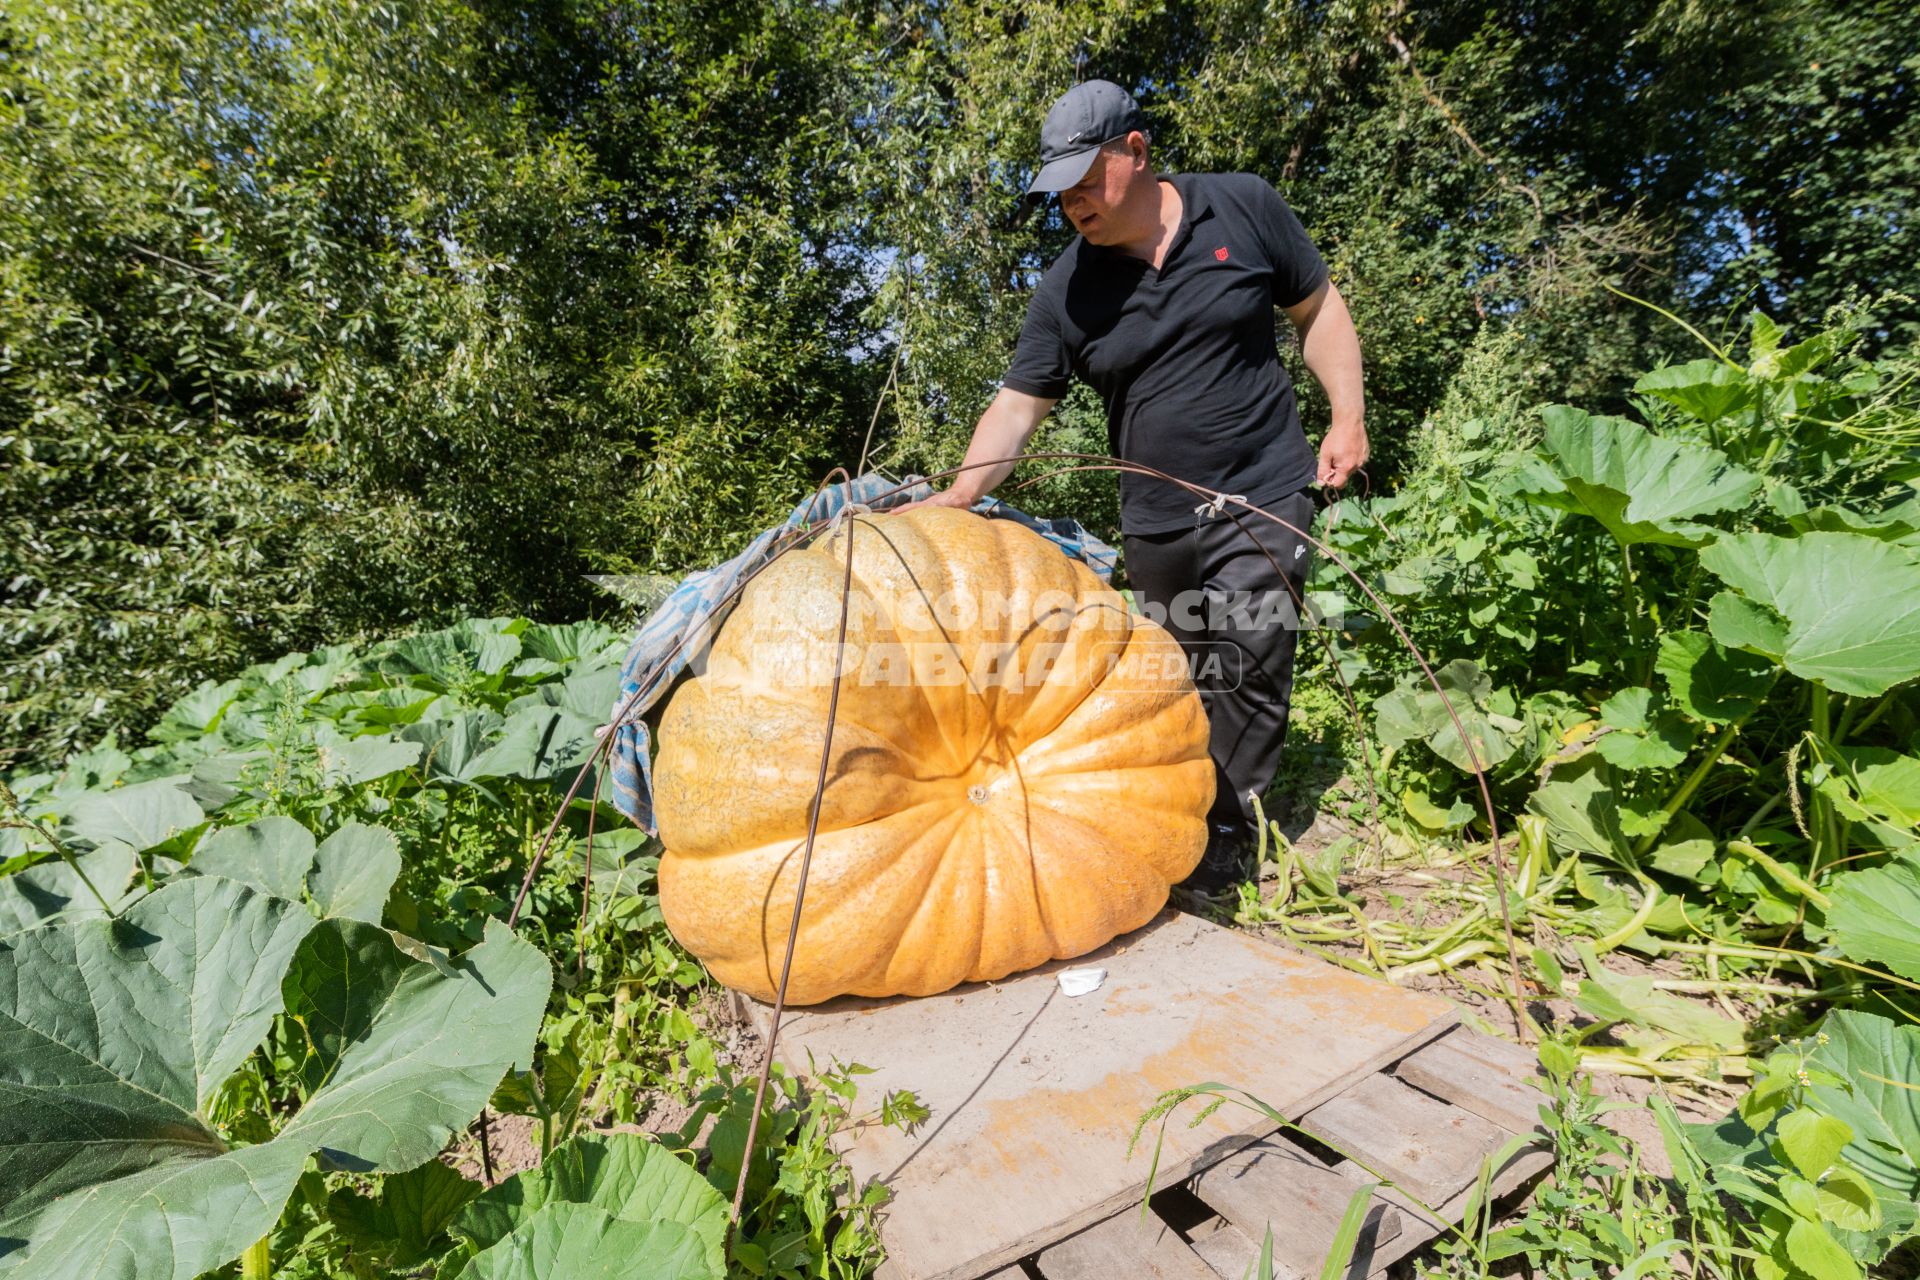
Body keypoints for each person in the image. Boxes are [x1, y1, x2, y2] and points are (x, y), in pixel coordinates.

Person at [900, 79, 1368, 892]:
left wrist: (1347, 416)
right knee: (1178, 677)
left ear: (1137, 151)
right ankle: (1173, 810)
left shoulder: (1243, 208)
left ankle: (1230, 833)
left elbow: (1317, 308)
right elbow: (1018, 406)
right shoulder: (1068, 290)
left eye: (1088, 180)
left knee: (1252, 658)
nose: (1074, 203)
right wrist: (959, 494)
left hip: (1263, 488)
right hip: (1155, 519)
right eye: (1062, 192)